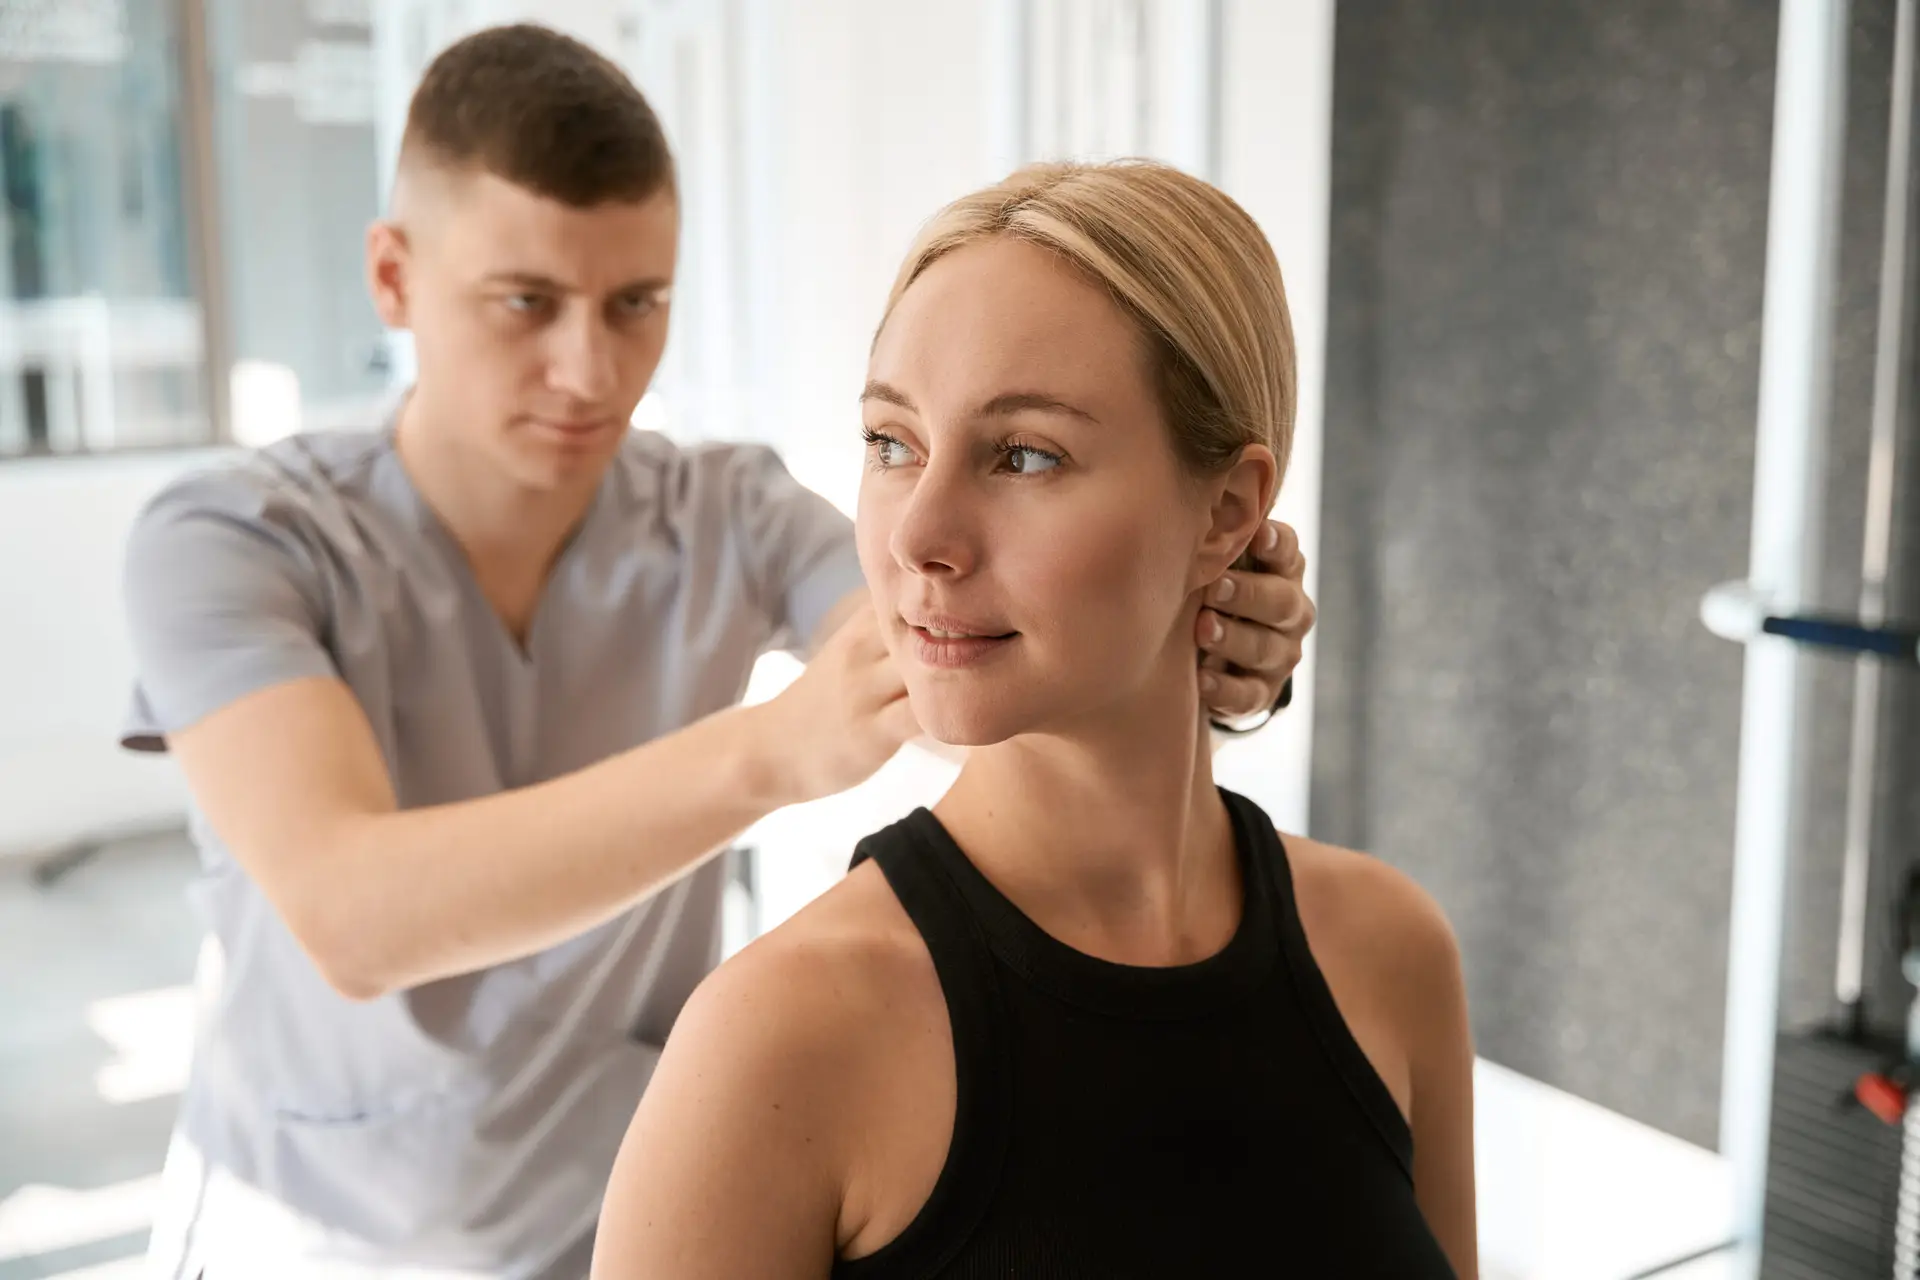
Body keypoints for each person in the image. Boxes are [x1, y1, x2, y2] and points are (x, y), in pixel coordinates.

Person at [119, 25, 1314, 1280]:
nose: (591, 369)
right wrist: (778, 748)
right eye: (527, 302)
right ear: (393, 277)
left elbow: (939, 622)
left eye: (637, 304)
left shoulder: (722, 512)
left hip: (619, 1218)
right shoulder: (232, 539)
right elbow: (351, 914)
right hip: (315, 1235)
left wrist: (1209, 612)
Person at [590, 159, 1477, 1280]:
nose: (919, 534)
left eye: (1024, 455)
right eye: (890, 442)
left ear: (1229, 510)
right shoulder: (779, 1044)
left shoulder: (1391, 952)